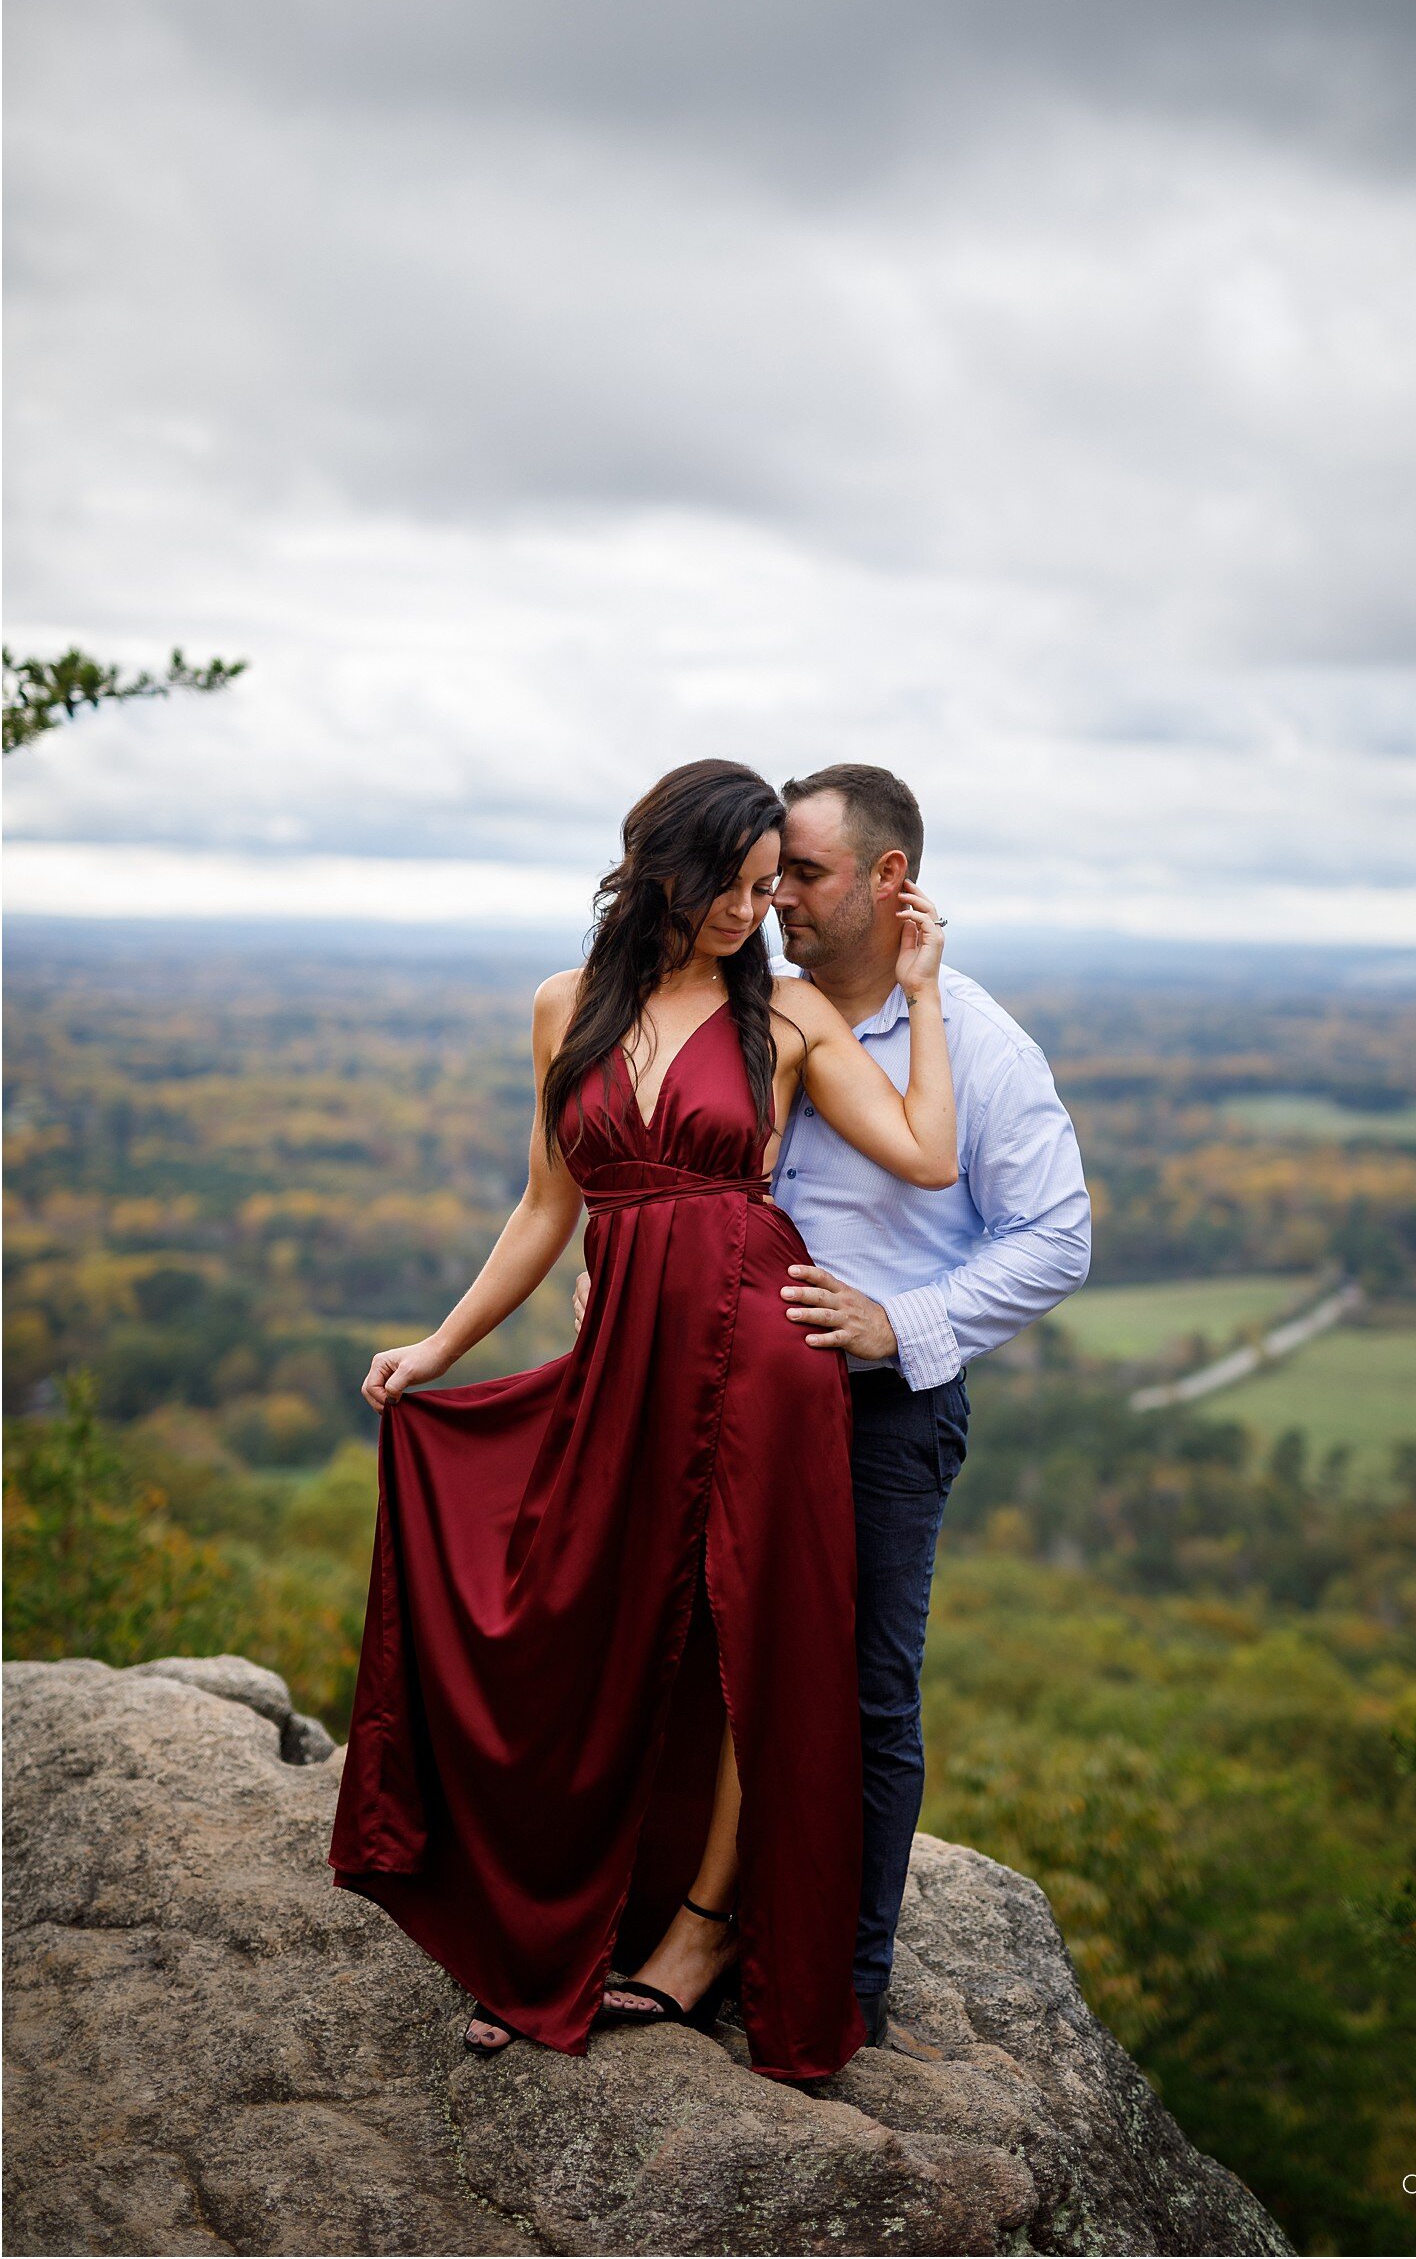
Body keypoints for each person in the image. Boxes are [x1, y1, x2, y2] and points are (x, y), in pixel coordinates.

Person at [328, 758, 956, 2084]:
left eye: (771, 883)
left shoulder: (782, 1013)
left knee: (752, 1641)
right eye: (735, 884)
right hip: (627, 1354)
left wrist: (923, 997)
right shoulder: (566, 1006)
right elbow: (549, 1206)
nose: (756, 907)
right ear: (660, 867)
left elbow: (926, 1151)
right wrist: (440, 1345)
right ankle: (552, 1926)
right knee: (583, 1617)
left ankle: (701, 1934)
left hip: (766, 1356)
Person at [577, 765, 1090, 2049]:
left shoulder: (973, 1041)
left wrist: (896, 1323)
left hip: (875, 1414)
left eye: (797, 875)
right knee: (695, 1661)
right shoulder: (754, 1008)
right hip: (712, 1396)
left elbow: (1057, 1236)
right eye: (763, 875)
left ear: (888, 880)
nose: (772, 899)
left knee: (856, 1693)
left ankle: (835, 1979)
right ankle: (666, 1922)